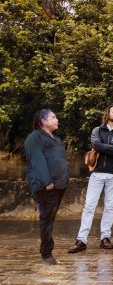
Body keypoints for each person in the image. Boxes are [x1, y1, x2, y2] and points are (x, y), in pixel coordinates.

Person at [68, 105, 113, 253]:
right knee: (89, 206)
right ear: (107, 114)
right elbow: (96, 145)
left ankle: (105, 238)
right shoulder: (97, 130)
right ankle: (81, 240)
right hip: (97, 173)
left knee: (109, 207)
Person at [24, 109, 69, 265]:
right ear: (43, 121)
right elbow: (37, 161)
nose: (57, 119)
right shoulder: (34, 138)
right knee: (47, 219)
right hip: (46, 186)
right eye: (53, 117)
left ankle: (46, 249)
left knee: (50, 218)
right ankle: (46, 253)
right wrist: (47, 182)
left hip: (59, 185)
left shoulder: (55, 139)